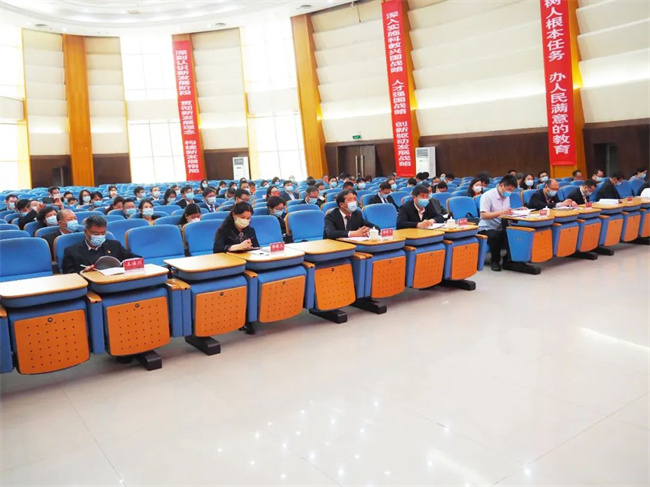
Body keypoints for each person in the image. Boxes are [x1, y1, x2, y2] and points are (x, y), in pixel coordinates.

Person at [62, 215, 139, 274]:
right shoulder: (72, 251)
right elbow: (68, 276)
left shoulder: (115, 245)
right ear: (85, 232)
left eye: (103, 233)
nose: (99, 236)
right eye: (95, 234)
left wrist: (124, 266)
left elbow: (136, 259)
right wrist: (83, 273)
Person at [479, 175, 518, 271]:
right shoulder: (487, 196)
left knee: (514, 232)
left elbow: (506, 211)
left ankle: (509, 258)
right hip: (486, 228)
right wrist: (501, 213)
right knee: (496, 235)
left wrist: (517, 210)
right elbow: (483, 215)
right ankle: (495, 261)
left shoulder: (506, 196)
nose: (510, 192)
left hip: (501, 225)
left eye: (512, 190)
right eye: (508, 189)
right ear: (501, 185)